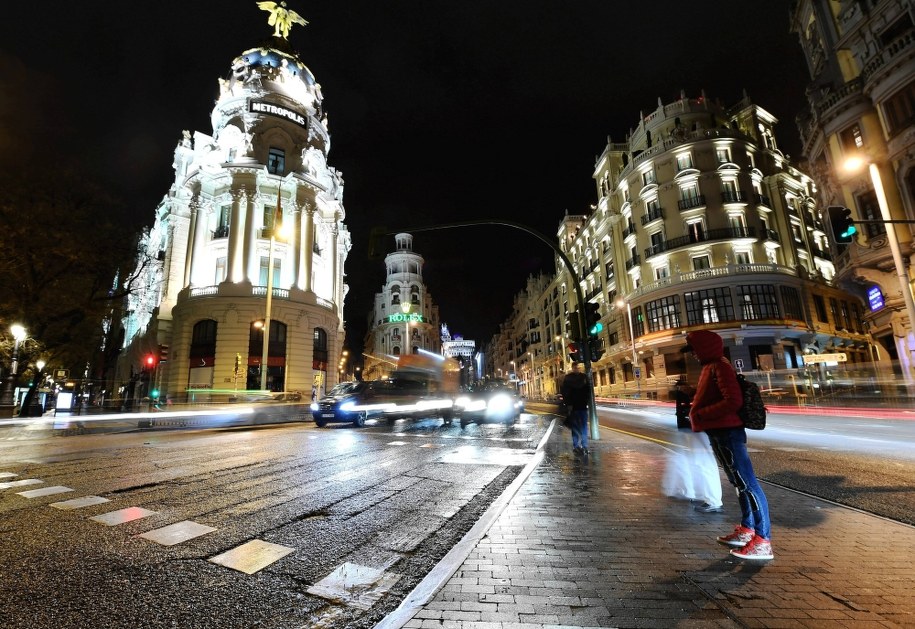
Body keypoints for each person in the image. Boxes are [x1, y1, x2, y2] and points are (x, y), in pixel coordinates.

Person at [685, 330, 773, 561]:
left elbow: (733, 400)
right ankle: (747, 530)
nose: (693, 354)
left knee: (748, 484)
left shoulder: (719, 366)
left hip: (728, 433)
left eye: (695, 349)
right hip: (719, 432)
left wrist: (702, 413)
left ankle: (763, 541)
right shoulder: (710, 367)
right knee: (739, 483)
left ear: (705, 347)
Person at [661, 376, 724, 513]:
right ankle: (699, 494)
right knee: (694, 462)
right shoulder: (697, 388)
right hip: (694, 429)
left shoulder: (710, 380)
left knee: (704, 464)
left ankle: (713, 500)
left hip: (700, 429)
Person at [560, 362, 591, 455]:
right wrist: (569, 404)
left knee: (581, 426)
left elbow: (565, 392)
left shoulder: (571, 378)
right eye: (575, 367)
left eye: (578, 367)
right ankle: (579, 445)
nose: (577, 369)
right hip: (575, 407)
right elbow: (565, 392)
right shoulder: (583, 378)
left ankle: (581, 445)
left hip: (579, 406)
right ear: (573, 368)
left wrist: (568, 403)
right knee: (578, 427)